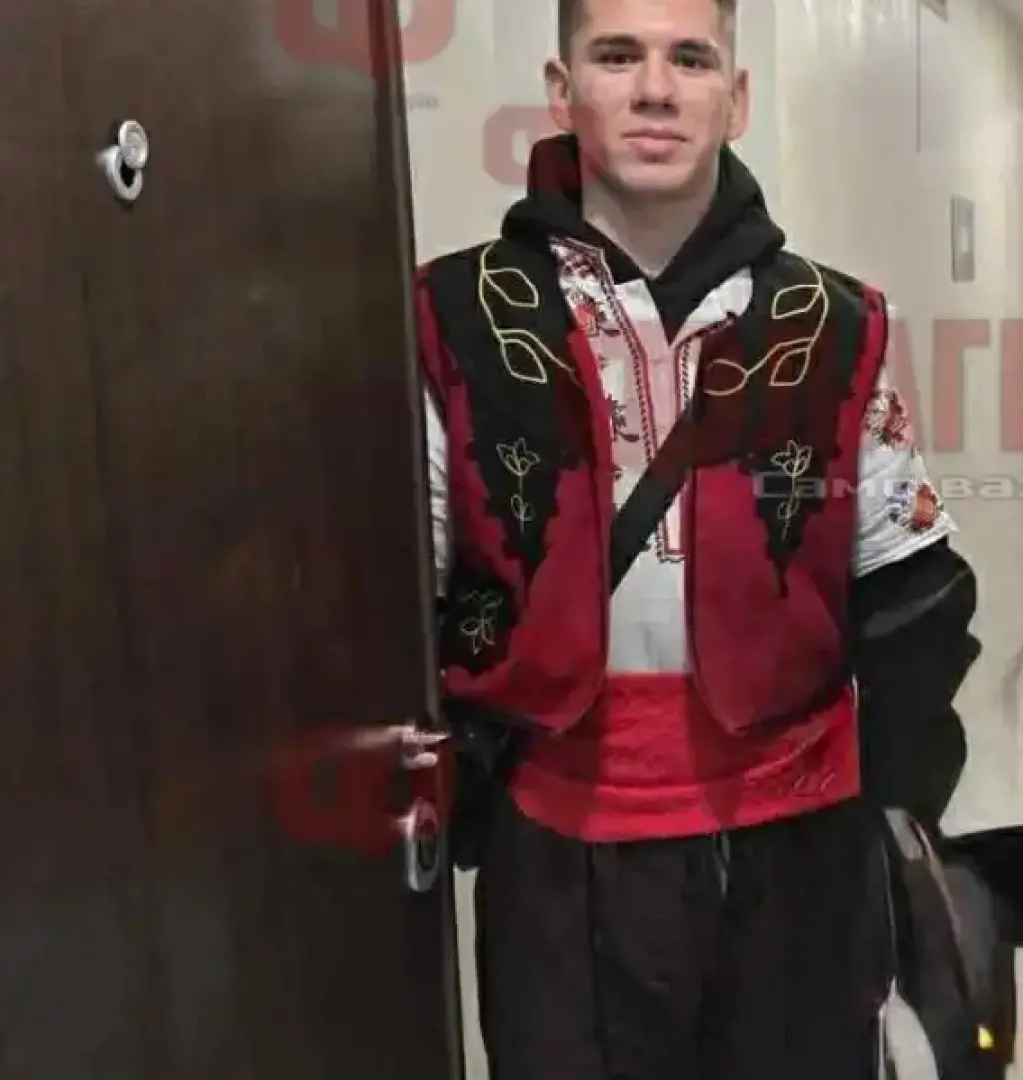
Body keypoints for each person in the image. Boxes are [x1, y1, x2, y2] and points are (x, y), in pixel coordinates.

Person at [414, 0, 978, 1076]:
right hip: (560, 861)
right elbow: (403, 602)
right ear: (561, 90)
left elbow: (913, 590)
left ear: (737, 97)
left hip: (798, 852)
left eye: (690, 58)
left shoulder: (834, 323)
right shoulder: (460, 316)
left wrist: (895, 814)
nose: (656, 90)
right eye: (617, 56)